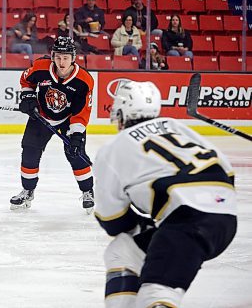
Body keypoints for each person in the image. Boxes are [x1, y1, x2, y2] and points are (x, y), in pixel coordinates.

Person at [94, 80, 237, 308]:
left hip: (187, 223)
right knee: (123, 250)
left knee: (157, 293)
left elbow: (112, 221)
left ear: (121, 112)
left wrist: (144, 222)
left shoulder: (114, 148)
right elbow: (226, 172)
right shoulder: (178, 127)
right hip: (226, 218)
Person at [10, 36, 95, 214]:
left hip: (69, 119)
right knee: (29, 151)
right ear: (52, 56)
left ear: (73, 58)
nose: (61, 62)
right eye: (57, 57)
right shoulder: (42, 67)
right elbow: (26, 81)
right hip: (41, 116)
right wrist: (28, 97)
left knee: (75, 154)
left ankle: (88, 191)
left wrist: (77, 135)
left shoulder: (84, 80)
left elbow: (81, 112)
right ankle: (27, 191)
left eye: (65, 58)